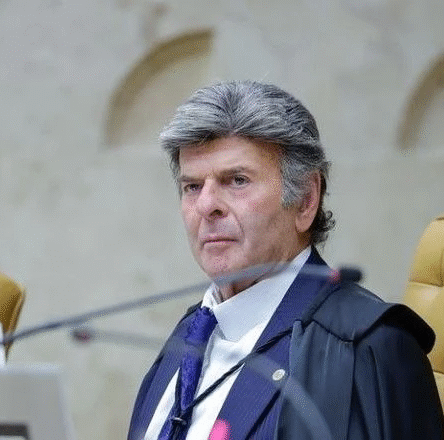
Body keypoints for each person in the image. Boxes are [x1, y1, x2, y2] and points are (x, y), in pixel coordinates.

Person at [128, 81, 444, 440]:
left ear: (306, 200)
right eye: (192, 186)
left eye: (237, 180)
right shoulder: (189, 334)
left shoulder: (369, 347)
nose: (206, 205)